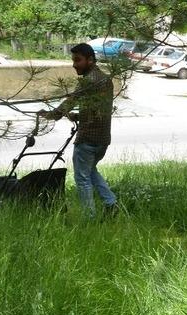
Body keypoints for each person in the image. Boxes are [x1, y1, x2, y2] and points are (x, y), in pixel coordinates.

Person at [39, 43, 118, 217]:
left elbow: (69, 102)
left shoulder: (87, 82)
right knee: (90, 171)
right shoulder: (105, 79)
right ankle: (111, 203)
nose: (74, 64)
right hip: (103, 138)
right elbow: (97, 110)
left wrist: (50, 115)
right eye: (73, 60)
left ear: (90, 60)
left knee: (82, 179)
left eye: (78, 60)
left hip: (87, 138)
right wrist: (77, 116)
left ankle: (89, 217)